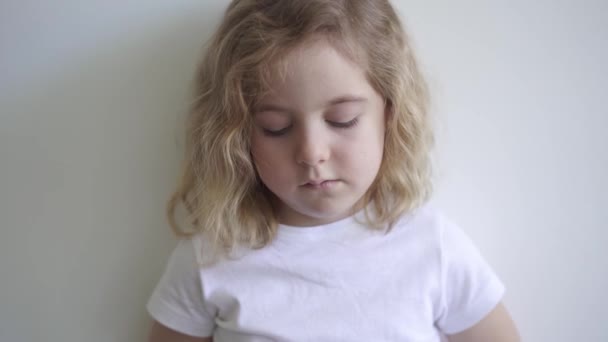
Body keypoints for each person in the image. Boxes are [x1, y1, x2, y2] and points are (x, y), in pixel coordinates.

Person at [146, 0, 520, 341]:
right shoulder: (210, 256)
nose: (311, 153)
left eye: (343, 120)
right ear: (238, 135)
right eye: (276, 126)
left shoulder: (433, 247)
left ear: (389, 116)